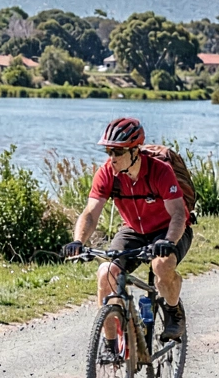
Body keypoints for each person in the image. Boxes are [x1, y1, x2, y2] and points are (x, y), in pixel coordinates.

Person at [64, 117, 193, 358]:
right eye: (108, 151)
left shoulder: (160, 171)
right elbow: (90, 214)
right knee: (106, 273)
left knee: (162, 265)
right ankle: (111, 346)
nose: (111, 157)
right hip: (133, 229)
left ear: (135, 151)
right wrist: (78, 241)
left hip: (168, 230)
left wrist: (169, 242)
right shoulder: (107, 173)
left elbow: (178, 214)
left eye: (117, 151)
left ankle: (174, 312)